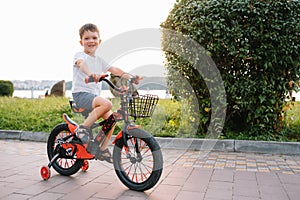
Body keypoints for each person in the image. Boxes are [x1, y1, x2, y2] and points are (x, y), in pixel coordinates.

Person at [71, 23, 141, 163]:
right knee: (107, 104)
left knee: (111, 120)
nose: (91, 41)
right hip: (80, 94)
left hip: (93, 97)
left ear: (99, 41)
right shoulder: (80, 55)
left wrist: (130, 76)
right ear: (81, 42)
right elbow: (81, 64)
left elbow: (114, 69)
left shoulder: (100, 59)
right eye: (87, 38)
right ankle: (83, 129)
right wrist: (92, 73)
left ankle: (102, 149)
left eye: (94, 38)